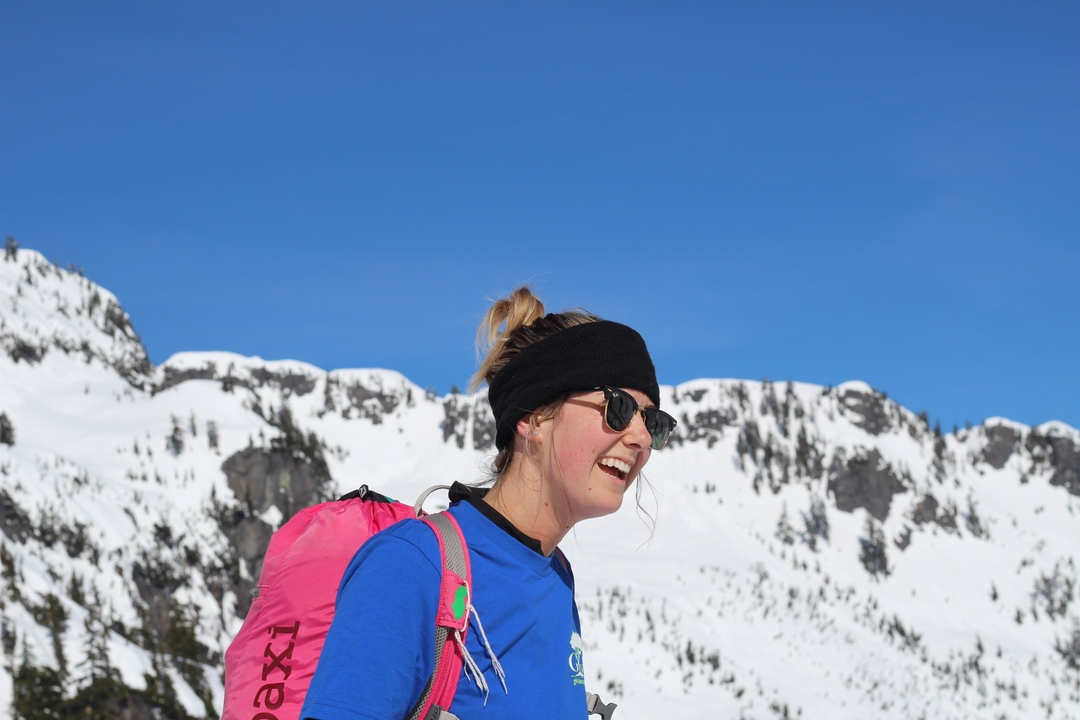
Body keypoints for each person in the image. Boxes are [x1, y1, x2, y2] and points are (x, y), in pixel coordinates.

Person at [300, 287, 676, 720]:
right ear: (533, 418)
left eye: (653, 421)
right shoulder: (411, 565)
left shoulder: (555, 575)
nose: (641, 438)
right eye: (619, 407)